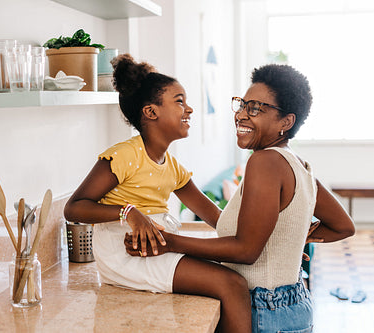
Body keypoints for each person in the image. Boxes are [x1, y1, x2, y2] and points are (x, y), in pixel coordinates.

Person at [125, 64, 356, 332]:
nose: (242, 115)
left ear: (286, 122)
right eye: (243, 105)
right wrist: (290, 240)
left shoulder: (264, 161)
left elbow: (245, 251)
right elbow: (343, 225)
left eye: (256, 108)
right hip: (294, 305)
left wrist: (168, 242)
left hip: (264, 311)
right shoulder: (298, 164)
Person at [64, 54, 251, 332]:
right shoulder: (124, 155)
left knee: (236, 274)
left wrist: (268, 235)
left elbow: (215, 217)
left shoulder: (173, 167)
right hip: (124, 254)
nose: (189, 109)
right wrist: (128, 212)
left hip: (154, 246)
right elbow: (74, 208)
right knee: (231, 284)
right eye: (179, 101)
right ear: (151, 112)